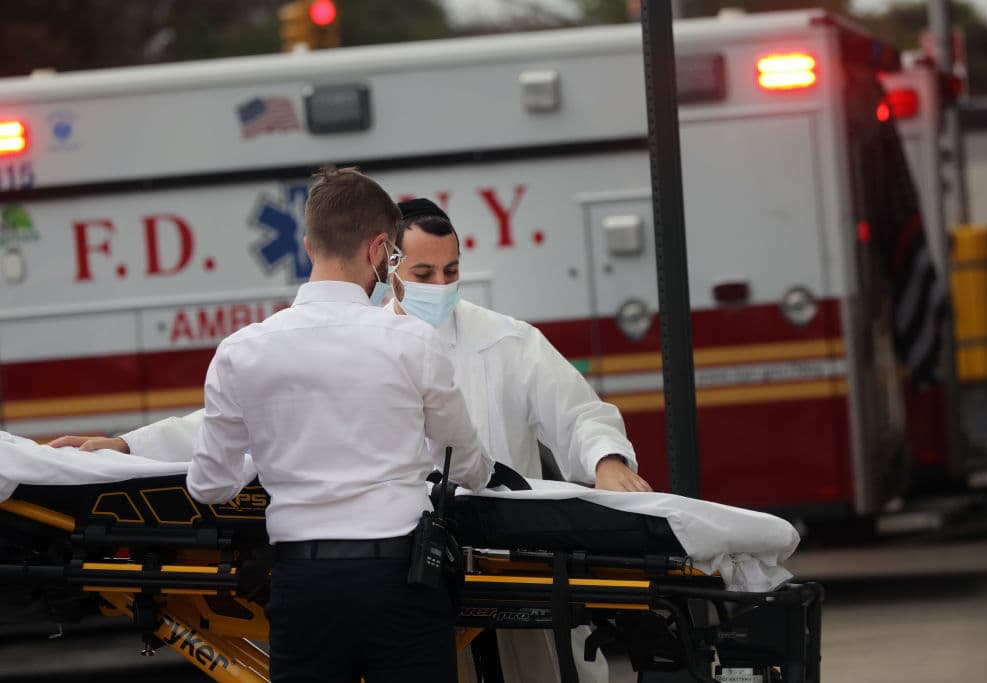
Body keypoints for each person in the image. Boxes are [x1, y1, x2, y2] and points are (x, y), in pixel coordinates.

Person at [51, 197, 650, 682]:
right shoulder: (371, 344)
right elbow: (219, 425)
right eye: (423, 273)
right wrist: (128, 446)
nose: (439, 286)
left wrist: (607, 459)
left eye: (451, 273)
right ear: (387, 262)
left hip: (500, 573)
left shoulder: (508, 342)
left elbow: (578, 413)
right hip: (412, 572)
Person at [186, 167, 494, 683]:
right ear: (378, 250)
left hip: (301, 585)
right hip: (402, 581)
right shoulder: (412, 342)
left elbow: (209, 486)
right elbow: (465, 463)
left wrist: (260, 460)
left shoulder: (241, 352)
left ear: (309, 245)